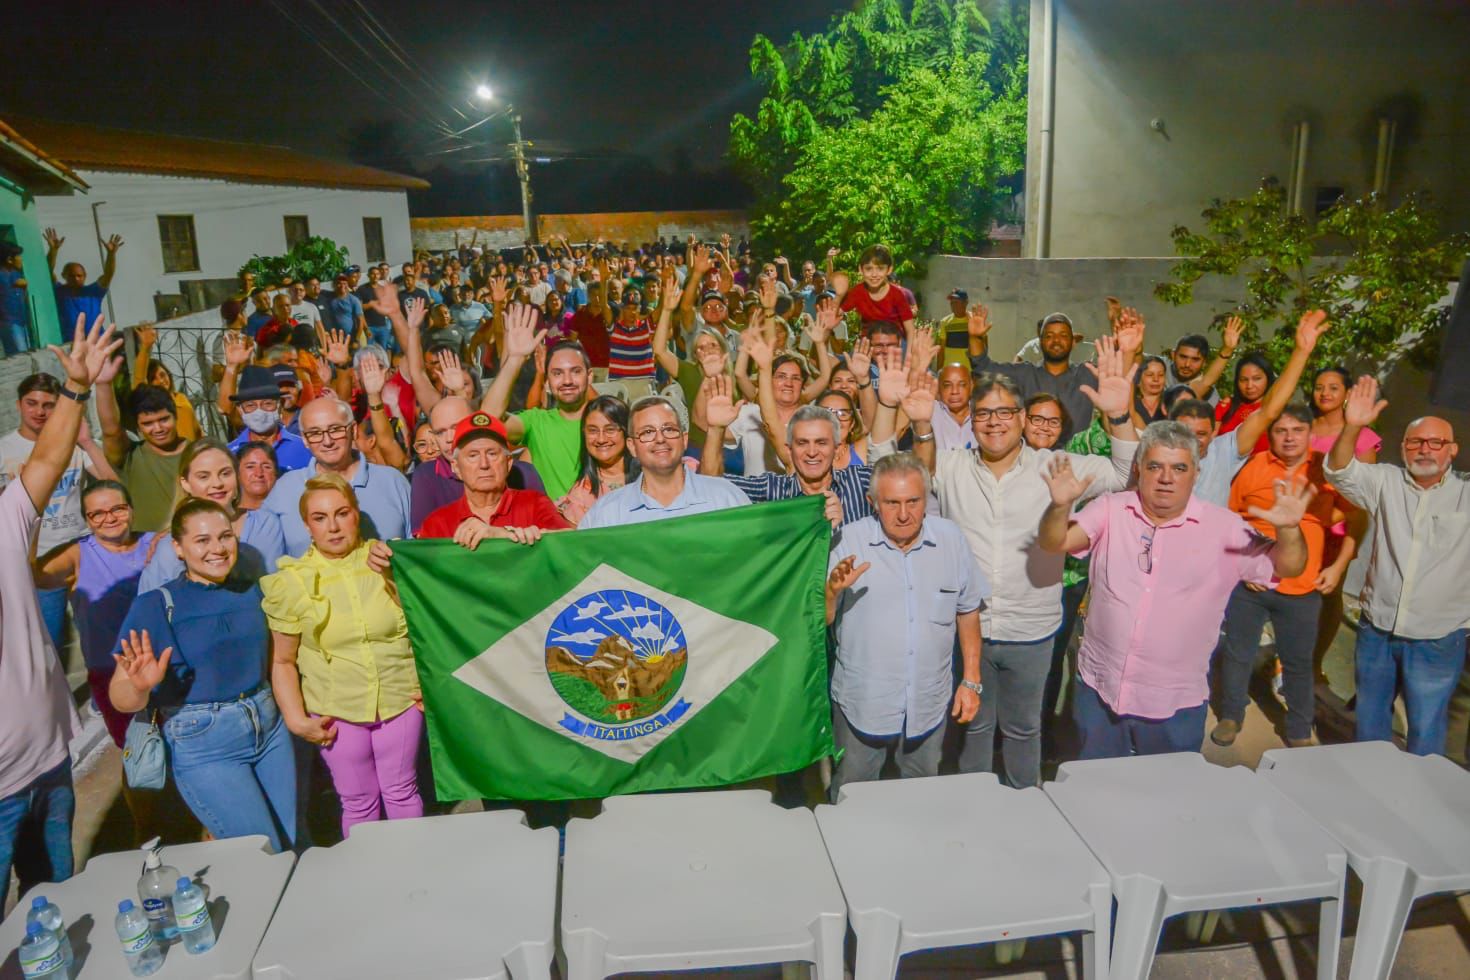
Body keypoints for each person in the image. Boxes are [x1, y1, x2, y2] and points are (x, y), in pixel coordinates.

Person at [869, 336, 1142, 788]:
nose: (993, 422)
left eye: (1004, 412)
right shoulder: (952, 467)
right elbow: (883, 467)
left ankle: (1025, 810)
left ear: (1021, 418)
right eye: (983, 413)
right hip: (965, 630)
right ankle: (975, 815)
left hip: (1032, 632)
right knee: (972, 731)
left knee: (1023, 730)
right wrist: (897, 411)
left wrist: (1118, 416)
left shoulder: (1054, 465)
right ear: (971, 422)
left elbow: (1123, 476)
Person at [1038, 421, 1312, 759]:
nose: (1166, 478)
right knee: (1097, 798)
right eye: (1155, 466)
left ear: (1196, 473)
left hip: (1174, 705)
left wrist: (1288, 530)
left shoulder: (1224, 528)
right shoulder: (1111, 508)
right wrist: (1060, 507)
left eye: (1179, 468)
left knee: (1168, 802)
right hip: (1100, 692)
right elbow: (1056, 542)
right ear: (1139, 469)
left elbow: (1288, 567)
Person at [1, 315, 121, 894]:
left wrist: (77, 387)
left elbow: (47, 461)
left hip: (50, 766)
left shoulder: (4, 522)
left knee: (57, 897)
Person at [110, 498, 297, 851]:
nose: (217, 548)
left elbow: (278, 661)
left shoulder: (253, 591)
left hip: (269, 729)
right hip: (205, 744)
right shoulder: (154, 605)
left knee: (288, 841)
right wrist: (140, 688)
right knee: (263, 851)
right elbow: (120, 695)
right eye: (202, 540)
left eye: (225, 536)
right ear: (178, 548)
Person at [263, 473, 424, 836]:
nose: (333, 527)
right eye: (320, 518)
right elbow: (283, 660)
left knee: (402, 791)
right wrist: (295, 718)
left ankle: (416, 871)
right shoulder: (292, 582)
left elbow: (424, 631)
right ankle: (367, 881)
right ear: (307, 525)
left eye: (342, 513)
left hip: (400, 700)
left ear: (357, 514)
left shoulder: (389, 561)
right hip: (336, 709)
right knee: (358, 801)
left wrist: (429, 686)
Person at [825, 453, 989, 797]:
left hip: (928, 704)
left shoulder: (951, 540)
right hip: (863, 704)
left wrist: (971, 680)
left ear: (927, 499)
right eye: (892, 503)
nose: (903, 514)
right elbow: (821, 622)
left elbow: (968, 609)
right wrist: (831, 593)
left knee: (922, 798)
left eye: (913, 502)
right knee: (852, 797)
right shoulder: (848, 542)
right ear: (872, 503)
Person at [1325, 376, 1470, 756]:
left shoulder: (1466, 496)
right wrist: (1352, 425)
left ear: (1451, 450)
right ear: (1403, 448)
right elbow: (1339, 471)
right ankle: (1371, 793)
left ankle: (1416, 800)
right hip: (1378, 631)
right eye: (1415, 442)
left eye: (1435, 442)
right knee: (1370, 727)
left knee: (1425, 729)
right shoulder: (1385, 482)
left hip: (1437, 638)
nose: (1425, 449)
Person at [1212, 404, 1362, 749]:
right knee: (1238, 652)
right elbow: (1232, 522)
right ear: (1272, 435)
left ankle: (1298, 727)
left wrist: (1337, 567)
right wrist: (1243, 566)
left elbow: (1356, 520)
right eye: (1281, 431)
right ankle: (1231, 715)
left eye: (1297, 430)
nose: (1289, 437)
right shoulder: (1254, 467)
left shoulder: (1325, 472)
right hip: (1252, 584)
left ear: (1310, 434)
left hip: (1302, 587)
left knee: (1298, 660)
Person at [33, 481, 159, 748]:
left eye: (118, 509)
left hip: (164, 666)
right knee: (138, 755)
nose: (110, 518)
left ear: (132, 510)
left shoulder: (155, 543)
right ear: (87, 520)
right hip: (111, 673)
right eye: (97, 514)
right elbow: (35, 575)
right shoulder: (78, 555)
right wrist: (30, 516)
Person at [1, 372, 117, 649]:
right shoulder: (4, 449)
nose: (39, 411)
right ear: (18, 405)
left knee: (103, 637)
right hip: (36, 560)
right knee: (46, 643)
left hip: (81, 553)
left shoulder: (73, 443)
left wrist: (87, 443)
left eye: (48, 405)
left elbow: (113, 488)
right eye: (32, 403)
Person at [1168, 310, 1332, 507]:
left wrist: (1301, 352)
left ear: (1213, 433)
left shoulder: (1221, 453)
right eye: (1185, 431)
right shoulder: (1156, 452)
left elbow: (1268, 411)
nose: (1193, 438)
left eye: (1201, 433)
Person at [701, 381, 869, 529]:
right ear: (789, 449)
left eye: (821, 443)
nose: (812, 452)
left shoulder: (859, 482)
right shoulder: (772, 489)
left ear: (836, 448)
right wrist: (716, 430)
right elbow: (711, 485)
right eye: (802, 443)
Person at [965, 304, 1143, 443]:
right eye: (1049, 336)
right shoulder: (1025, 373)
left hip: (1077, 461)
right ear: (1040, 341)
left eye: (1063, 335)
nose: (1056, 340)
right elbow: (983, 369)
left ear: (1073, 342)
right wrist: (975, 337)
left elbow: (1120, 380)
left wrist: (1128, 351)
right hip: (1031, 462)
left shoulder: (1087, 373)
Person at [263, 398, 412, 556]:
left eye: (335, 430)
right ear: (305, 440)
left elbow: (416, 552)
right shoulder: (284, 489)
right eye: (315, 433)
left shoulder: (392, 481)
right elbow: (270, 566)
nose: (327, 441)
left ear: (353, 430)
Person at [579, 395, 750, 528]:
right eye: (647, 432)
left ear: (684, 440)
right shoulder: (607, 514)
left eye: (669, 429)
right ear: (632, 446)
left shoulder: (726, 499)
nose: (660, 439)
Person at [138, 439, 287, 591]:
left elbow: (275, 590)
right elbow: (151, 602)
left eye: (225, 473)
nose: (217, 483)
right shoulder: (172, 542)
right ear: (186, 483)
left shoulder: (265, 524)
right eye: (204, 476)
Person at [480, 305, 592, 499]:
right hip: (555, 526)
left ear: (589, 377)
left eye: (575, 371)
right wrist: (515, 359)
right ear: (547, 382)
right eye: (557, 373)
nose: (567, 380)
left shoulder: (605, 422)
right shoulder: (537, 422)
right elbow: (488, 418)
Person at [417, 411, 570, 545]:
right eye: (473, 455)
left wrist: (504, 535)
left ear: (509, 463)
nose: (484, 464)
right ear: (456, 467)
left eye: (492, 454)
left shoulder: (535, 505)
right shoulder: (437, 524)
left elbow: (572, 543)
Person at [97, 380, 188, 533]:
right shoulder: (130, 457)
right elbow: (111, 431)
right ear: (138, 426)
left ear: (175, 416)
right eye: (148, 423)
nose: (158, 429)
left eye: (164, 419)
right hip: (145, 552)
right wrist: (103, 384)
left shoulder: (200, 453)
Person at [555, 395, 641, 527]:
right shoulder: (580, 496)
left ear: (626, 431)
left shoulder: (651, 473)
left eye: (610, 429)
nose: (601, 439)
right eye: (593, 431)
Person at [223, 364, 312, 471]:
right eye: (251, 405)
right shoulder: (228, 455)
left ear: (279, 406)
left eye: (267, 404)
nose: (259, 411)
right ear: (240, 410)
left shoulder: (304, 448)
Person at [130, 324, 201, 439]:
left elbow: (197, 430)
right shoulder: (150, 406)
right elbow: (139, 378)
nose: (161, 381)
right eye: (153, 378)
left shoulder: (180, 398)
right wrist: (146, 348)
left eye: (163, 375)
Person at [43, 228, 121, 329]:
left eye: (79, 276)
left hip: (97, 340)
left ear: (85, 276)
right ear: (63, 275)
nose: (76, 279)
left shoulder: (94, 292)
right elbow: (47, 271)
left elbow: (108, 274)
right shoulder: (59, 292)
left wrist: (111, 255)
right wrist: (53, 250)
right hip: (72, 342)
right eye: (71, 276)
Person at [829, 245, 915, 332]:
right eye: (869, 269)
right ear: (861, 269)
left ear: (889, 270)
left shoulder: (897, 294)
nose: (874, 274)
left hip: (894, 341)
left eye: (880, 269)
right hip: (869, 341)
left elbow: (910, 328)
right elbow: (832, 316)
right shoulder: (858, 292)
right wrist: (839, 296)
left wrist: (909, 346)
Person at [932, 364, 976, 452]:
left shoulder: (983, 412)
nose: (954, 391)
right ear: (938, 388)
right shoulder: (930, 410)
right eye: (947, 385)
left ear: (971, 386)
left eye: (962, 385)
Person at [0, 242, 30, 356]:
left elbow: (23, 296)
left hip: (21, 322)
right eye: (18, 256)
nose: (21, 260)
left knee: (25, 354)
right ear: (9, 259)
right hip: (9, 324)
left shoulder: (15, 274)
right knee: (20, 357)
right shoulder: (2, 276)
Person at [237, 441, 279, 511]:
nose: (259, 474)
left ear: (276, 473)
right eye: (250, 467)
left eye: (266, 467)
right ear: (237, 473)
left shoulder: (289, 513)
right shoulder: (226, 516)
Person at [323, 273, 366, 340]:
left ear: (347, 284)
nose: (342, 285)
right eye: (339, 283)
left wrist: (357, 339)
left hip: (351, 338)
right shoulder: (328, 297)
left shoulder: (353, 300)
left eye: (344, 283)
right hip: (335, 339)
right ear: (334, 285)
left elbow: (360, 320)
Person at [1132, 355, 1170, 425]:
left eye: (1161, 375)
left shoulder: (1171, 402)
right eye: (1149, 375)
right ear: (1138, 379)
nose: (1156, 379)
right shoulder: (1130, 402)